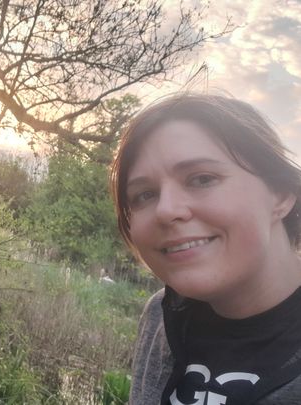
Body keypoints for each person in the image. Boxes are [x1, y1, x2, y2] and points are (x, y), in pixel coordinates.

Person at [110, 93, 301, 404]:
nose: (166, 210)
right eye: (144, 195)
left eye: (202, 179)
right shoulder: (161, 316)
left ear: (281, 194)